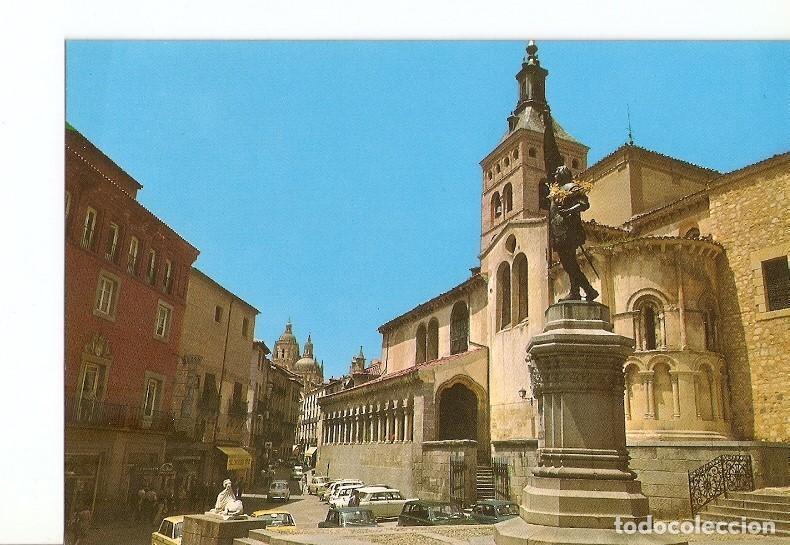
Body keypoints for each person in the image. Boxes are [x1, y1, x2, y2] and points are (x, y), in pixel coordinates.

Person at [549, 165, 598, 302]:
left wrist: (569, 211)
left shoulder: (571, 187)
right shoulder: (557, 191)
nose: (555, 176)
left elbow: (584, 204)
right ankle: (585, 291)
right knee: (569, 265)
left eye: (557, 173)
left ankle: (580, 291)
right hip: (559, 233)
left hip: (568, 232)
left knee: (570, 264)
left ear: (563, 173)